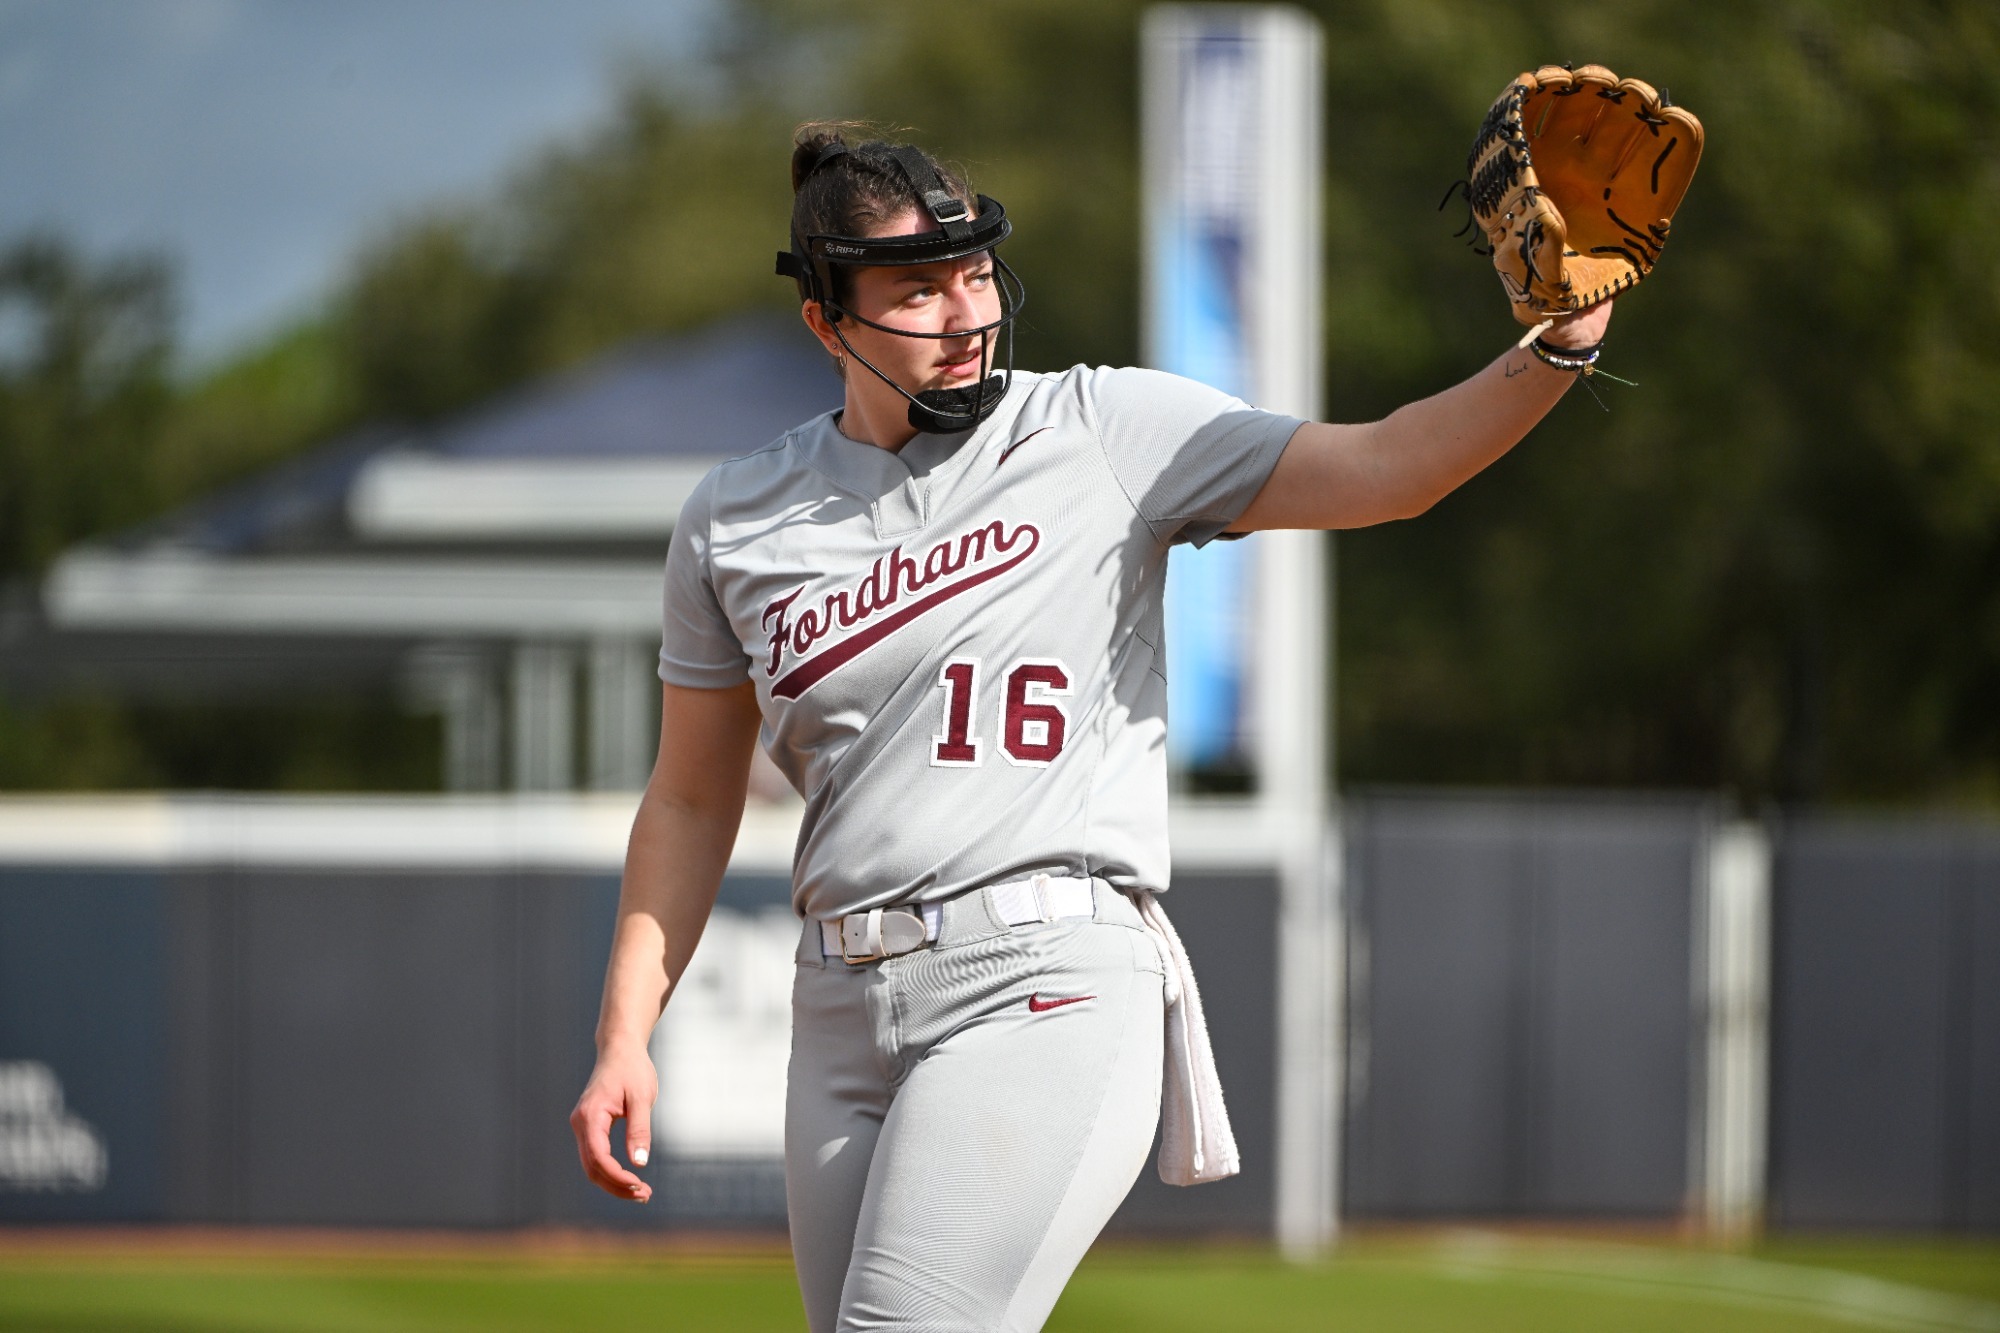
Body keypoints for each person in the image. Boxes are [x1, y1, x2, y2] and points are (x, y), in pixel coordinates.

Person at [570, 124, 1614, 1332]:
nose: (963, 310)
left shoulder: (1103, 429)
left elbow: (1388, 467)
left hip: (1038, 978)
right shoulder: (734, 519)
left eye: (973, 275)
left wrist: (1561, 344)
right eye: (916, 288)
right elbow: (693, 799)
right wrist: (623, 1034)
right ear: (826, 322)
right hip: (837, 1017)